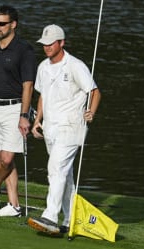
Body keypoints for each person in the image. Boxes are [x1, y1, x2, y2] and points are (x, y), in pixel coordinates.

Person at [26, 25, 100, 235]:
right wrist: (37, 120)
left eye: (51, 44)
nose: (47, 47)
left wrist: (91, 113)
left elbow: (94, 92)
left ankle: (50, 217)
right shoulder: (43, 67)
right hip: (50, 127)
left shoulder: (75, 65)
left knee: (56, 169)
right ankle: (69, 219)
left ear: (61, 43)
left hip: (71, 126)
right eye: (44, 44)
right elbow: (42, 96)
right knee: (64, 176)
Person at [0, 5, 37, 217]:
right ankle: (14, 205)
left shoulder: (24, 50)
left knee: (7, 159)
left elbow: (28, 85)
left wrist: (24, 115)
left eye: (1, 24)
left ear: (13, 25)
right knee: (3, 157)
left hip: (14, 109)